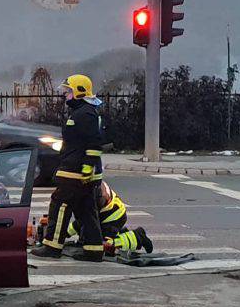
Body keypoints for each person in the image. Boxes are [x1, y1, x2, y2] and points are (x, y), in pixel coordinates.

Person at [31, 74, 105, 262]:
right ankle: (94, 250)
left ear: (79, 92)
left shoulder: (85, 114)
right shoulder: (83, 112)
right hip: (77, 171)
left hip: (76, 172)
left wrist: (87, 167)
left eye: (69, 91)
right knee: (86, 209)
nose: (65, 94)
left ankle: (52, 246)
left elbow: (94, 143)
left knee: (60, 204)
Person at [64, 180, 154, 255]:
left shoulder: (98, 195)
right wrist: (65, 233)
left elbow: (90, 219)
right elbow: (81, 221)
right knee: (86, 232)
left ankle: (138, 237)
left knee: (105, 244)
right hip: (103, 213)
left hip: (114, 216)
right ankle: (122, 233)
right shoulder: (88, 186)